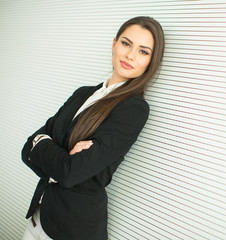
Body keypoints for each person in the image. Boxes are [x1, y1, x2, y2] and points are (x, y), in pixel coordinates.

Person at [21, 16, 165, 240]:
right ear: (114, 44)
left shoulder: (134, 109)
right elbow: (27, 150)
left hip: (72, 229)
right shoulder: (82, 93)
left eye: (143, 51)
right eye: (126, 44)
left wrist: (43, 145)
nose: (130, 55)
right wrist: (52, 153)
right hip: (39, 216)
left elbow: (70, 173)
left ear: (151, 61)